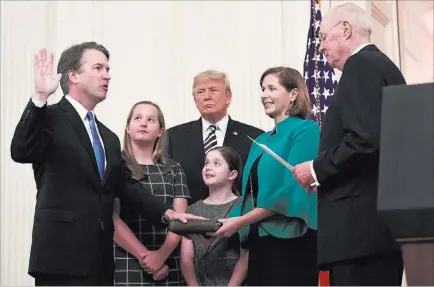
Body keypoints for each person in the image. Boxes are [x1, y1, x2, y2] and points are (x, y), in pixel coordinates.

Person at [10, 42, 201, 286]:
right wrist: (39, 97)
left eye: (108, 69)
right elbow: (20, 150)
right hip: (59, 257)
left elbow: (127, 187)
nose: (107, 75)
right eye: (98, 68)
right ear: (74, 76)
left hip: (101, 262)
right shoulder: (49, 117)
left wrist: (168, 213)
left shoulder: (108, 137)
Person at [292, 3, 406, 286]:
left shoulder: (362, 66)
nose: (320, 47)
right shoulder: (380, 66)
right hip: (374, 230)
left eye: (323, 37)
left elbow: (365, 140)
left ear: (345, 29)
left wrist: (317, 169)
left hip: (360, 233)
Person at [213, 67, 319, 286]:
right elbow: (249, 197)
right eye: (262, 89)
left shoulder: (306, 130)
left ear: (293, 94)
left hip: (292, 240)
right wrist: (210, 225)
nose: (263, 94)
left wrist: (240, 221)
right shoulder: (260, 140)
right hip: (258, 242)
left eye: (272, 88)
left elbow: (293, 189)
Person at [113, 101, 190, 286]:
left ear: (160, 131)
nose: (143, 123)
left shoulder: (174, 169)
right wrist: (146, 258)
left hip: (168, 262)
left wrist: (161, 256)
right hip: (125, 260)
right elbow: (112, 219)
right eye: (137, 118)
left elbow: (180, 220)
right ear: (127, 128)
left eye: (151, 119)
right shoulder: (115, 166)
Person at [167, 70, 264, 204]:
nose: (206, 97)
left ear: (228, 97)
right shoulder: (173, 137)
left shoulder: (254, 137)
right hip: (188, 220)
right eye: (200, 92)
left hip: (239, 218)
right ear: (195, 100)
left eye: (213, 90)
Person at [180, 146, 248, 286]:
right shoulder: (193, 209)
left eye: (216, 163)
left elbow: (246, 256)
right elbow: (186, 259)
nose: (209, 167)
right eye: (206, 163)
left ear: (232, 175)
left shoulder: (243, 207)